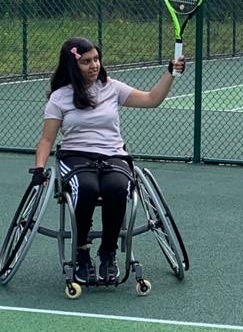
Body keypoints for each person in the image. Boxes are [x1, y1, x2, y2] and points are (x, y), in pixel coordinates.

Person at [30, 36, 185, 285]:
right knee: (88, 189)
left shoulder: (111, 87)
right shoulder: (59, 97)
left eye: (97, 59)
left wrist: (170, 72)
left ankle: (108, 252)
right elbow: (47, 140)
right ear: (73, 65)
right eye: (87, 61)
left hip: (113, 154)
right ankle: (81, 252)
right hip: (76, 156)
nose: (94, 65)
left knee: (116, 188)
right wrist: (39, 168)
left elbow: (151, 99)